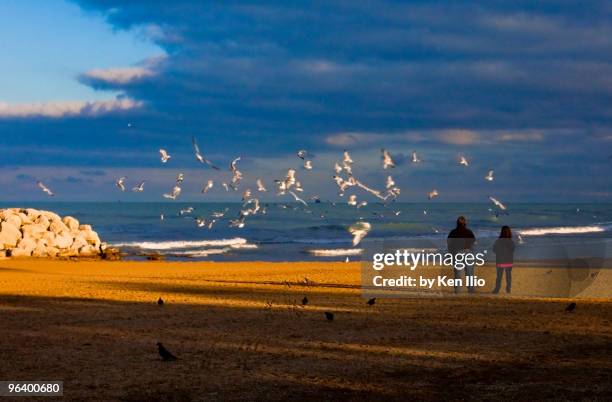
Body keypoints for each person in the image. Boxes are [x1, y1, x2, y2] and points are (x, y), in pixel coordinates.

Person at [447, 216, 476, 293]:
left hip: (458, 252)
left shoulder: (453, 232)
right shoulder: (469, 232)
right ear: (465, 223)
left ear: (457, 223)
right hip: (468, 252)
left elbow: (449, 244)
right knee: (470, 272)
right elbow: (474, 242)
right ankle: (471, 289)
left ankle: (458, 290)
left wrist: (450, 255)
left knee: (458, 273)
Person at [492, 226, 515, 294]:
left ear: (501, 232)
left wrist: (499, 253)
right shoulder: (511, 241)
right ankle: (508, 289)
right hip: (509, 261)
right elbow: (512, 250)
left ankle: (497, 289)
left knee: (499, 276)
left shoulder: (498, 241)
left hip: (500, 261)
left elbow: (494, 250)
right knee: (508, 276)